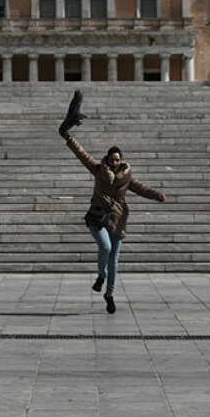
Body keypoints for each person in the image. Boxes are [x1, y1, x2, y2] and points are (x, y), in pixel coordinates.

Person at [59, 128, 165, 314]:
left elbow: (142, 188)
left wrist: (157, 195)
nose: (114, 163)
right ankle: (102, 276)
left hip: (117, 220)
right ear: (107, 160)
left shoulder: (127, 177)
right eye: (112, 160)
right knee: (105, 247)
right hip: (98, 217)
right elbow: (82, 155)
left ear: (121, 161)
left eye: (117, 160)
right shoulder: (99, 170)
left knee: (113, 261)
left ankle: (109, 295)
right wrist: (69, 139)